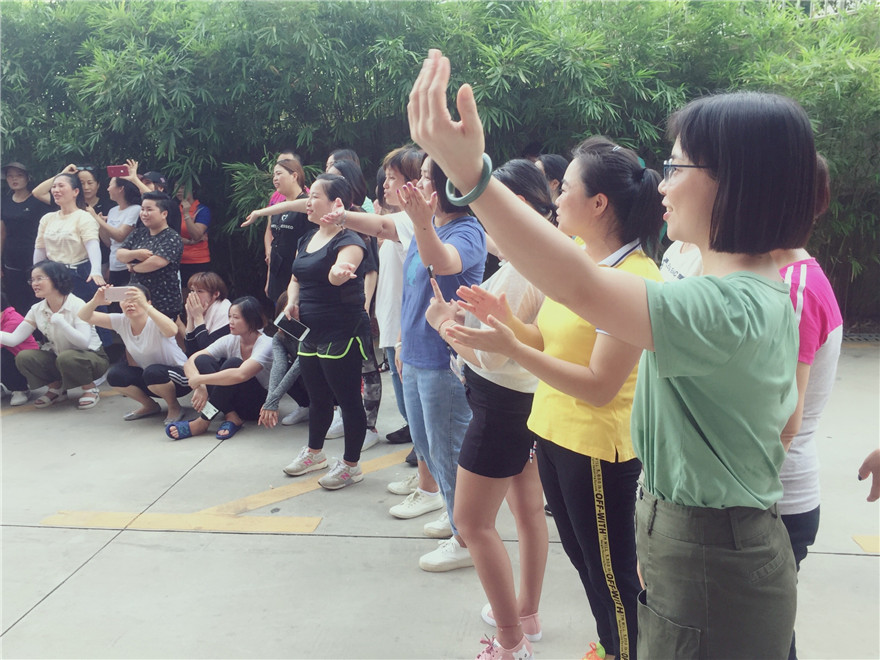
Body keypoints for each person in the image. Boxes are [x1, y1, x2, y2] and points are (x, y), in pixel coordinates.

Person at [409, 50, 815, 659]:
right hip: (702, 540)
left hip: (711, 558)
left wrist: (474, 176)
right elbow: (781, 424)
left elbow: (579, 286)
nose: (663, 184)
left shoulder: (727, 305)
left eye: (676, 165)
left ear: (734, 180)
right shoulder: (748, 289)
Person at [449, 143, 664, 660]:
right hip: (553, 434)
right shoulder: (583, 261)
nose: (557, 197)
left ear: (599, 203)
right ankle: (613, 646)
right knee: (587, 563)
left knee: (612, 576)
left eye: (566, 188)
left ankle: (625, 650)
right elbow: (547, 341)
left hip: (596, 450)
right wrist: (507, 323)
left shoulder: (633, 278)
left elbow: (598, 385)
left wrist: (513, 348)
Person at [423, 159, 554, 660]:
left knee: (473, 523)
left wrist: (444, 324)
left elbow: (494, 355)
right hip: (524, 400)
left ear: (513, 206)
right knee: (527, 509)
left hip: (499, 405)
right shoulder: (540, 257)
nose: (477, 216)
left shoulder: (521, 271)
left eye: (483, 205)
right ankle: (527, 615)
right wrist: (466, 315)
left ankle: (511, 641)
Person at [330, 153, 486, 569]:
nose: (418, 184)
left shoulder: (467, 230)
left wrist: (421, 223)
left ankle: (466, 539)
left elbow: (442, 263)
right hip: (415, 353)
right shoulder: (426, 225)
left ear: (450, 186)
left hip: (444, 360)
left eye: (427, 177)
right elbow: (412, 290)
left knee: (448, 451)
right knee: (428, 448)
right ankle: (455, 517)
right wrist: (401, 342)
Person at [771, 154, 843, 660]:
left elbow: (785, 421)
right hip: (773, 496)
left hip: (773, 499)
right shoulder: (788, 275)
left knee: (765, 641)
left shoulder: (794, 287)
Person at [280, 174, 371, 490]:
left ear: (337, 203)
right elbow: (295, 278)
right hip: (310, 330)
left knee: (348, 400)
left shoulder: (350, 241)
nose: (308, 202)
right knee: (317, 397)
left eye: (315, 196)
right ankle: (314, 453)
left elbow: (338, 273)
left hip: (342, 330)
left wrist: (338, 272)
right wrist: (292, 301)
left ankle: (351, 466)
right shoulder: (307, 238)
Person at [3, 260, 109, 409]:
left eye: (39, 278)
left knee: (67, 357)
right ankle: (56, 389)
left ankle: (90, 389)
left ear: (56, 279)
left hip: (91, 357)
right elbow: (14, 339)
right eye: (32, 280)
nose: (34, 284)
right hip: (60, 358)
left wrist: (62, 323)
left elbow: (84, 343)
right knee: (25, 356)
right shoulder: (36, 309)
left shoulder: (77, 304)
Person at [166, 296, 272, 440]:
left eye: (236, 317)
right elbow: (191, 361)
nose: (230, 322)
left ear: (251, 320)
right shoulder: (230, 339)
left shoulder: (266, 344)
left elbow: (241, 374)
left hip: (257, 406)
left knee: (233, 364)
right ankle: (231, 416)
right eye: (229, 317)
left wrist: (200, 379)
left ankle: (204, 421)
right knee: (203, 360)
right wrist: (200, 386)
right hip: (231, 401)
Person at [78, 284, 189, 422]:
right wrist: (95, 301)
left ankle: (174, 407)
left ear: (148, 302)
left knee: (152, 372)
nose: (130, 304)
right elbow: (83, 316)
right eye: (125, 300)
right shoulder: (121, 321)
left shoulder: (155, 320)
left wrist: (147, 307)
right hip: (150, 379)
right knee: (115, 375)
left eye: (135, 300)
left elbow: (172, 330)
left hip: (180, 379)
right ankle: (150, 406)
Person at [241, 158, 309, 301]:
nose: (275, 178)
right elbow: (274, 243)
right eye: (274, 175)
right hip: (277, 276)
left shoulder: (308, 205)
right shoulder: (277, 207)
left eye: (279, 174)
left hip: (297, 276)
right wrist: (269, 279)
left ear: (294, 176)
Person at [32, 172, 106, 302]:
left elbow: (92, 244)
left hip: (79, 273)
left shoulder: (84, 217)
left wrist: (96, 270)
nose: (56, 190)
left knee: (85, 311)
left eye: (61, 186)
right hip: (53, 274)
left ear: (75, 191)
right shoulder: (47, 218)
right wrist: (37, 274)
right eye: (54, 187)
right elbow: (40, 248)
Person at [116, 192, 184, 321]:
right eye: (142, 209)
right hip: (137, 297)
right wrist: (137, 254)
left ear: (164, 214)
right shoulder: (138, 233)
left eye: (149, 209)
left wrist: (133, 267)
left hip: (163, 300)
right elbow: (120, 254)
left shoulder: (172, 237)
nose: (144, 213)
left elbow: (157, 262)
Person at [1, 161, 52, 314]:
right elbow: (2, 233)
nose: (14, 179)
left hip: (35, 256)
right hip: (11, 258)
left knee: (37, 296)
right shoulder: (4, 201)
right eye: (10, 176)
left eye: (19, 175)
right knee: (15, 297)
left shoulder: (38, 200)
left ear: (27, 177)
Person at [256, 293, 311, 430]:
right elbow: (279, 366)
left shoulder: (311, 335)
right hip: (303, 377)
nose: (291, 317)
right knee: (283, 369)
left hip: (322, 377)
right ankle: (305, 406)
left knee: (311, 369)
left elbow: (299, 366)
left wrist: (272, 401)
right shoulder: (279, 338)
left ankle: (336, 410)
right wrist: (270, 402)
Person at [93, 177, 142, 287]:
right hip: (114, 264)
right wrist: (101, 224)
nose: (108, 189)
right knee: (114, 296)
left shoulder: (135, 209)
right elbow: (109, 242)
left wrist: (95, 217)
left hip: (128, 266)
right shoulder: (112, 211)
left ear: (121, 189)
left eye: (110, 185)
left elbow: (120, 236)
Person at [0, 290, 40, 406]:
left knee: (3, 356)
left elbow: (5, 343)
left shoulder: (13, 320)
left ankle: (21, 389)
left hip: (26, 363)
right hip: (12, 358)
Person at [181, 271, 231, 355]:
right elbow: (190, 351)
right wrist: (190, 317)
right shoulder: (199, 309)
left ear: (215, 294)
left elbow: (208, 350)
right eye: (192, 290)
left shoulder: (225, 310)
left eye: (200, 291)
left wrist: (198, 317)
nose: (194, 295)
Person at [175, 181, 212, 287]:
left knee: (197, 291)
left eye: (182, 187)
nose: (179, 191)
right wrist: (187, 241)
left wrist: (186, 214)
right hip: (177, 259)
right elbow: (168, 233)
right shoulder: (174, 209)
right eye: (176, 188)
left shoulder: (201, 210)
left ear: (192, 189)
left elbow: (196, 235)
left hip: (197, 260)